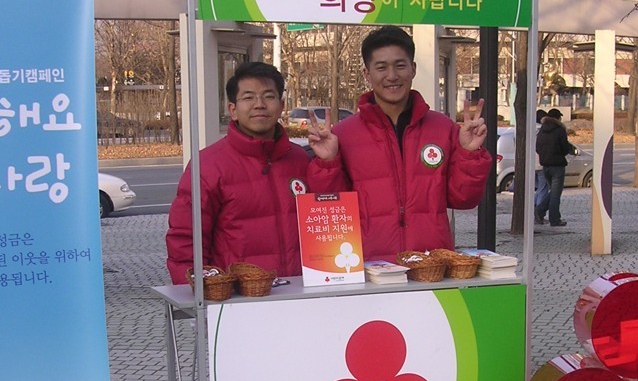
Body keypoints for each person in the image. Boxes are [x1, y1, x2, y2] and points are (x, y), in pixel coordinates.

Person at [308, 26, 491, 260]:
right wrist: (327, 164)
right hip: (369, 267)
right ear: (367, 74)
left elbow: (463, 200)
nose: (392, 76)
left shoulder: (442, 128)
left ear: (413, 69)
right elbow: (332, 210)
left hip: (431, 264)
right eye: (381, 67)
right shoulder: (343, 135)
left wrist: (469, 154)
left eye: (400, 65)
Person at [165, 61, 339, 282]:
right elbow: (186, 239)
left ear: (281, 105)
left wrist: (327, 164)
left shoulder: (300, 159)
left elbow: (332, 223)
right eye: (248, 97)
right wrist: (195, 296)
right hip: (237, 301)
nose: (259, 104)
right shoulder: (207, 165)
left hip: (300, 294)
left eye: (268, 96)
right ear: (233, 110)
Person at [535, 108, 576, 227]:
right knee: (555, 194)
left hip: (545, 165)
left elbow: (537, 147)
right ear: (557, 118)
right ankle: (554, 219)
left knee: (553, 192)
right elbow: (564, 147)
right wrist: (561, 153)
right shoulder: (559, 130)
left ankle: (540, 210)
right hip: (557, 165)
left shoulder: (542, 129)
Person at [533, 108, 549, 224]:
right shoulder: (543, 131)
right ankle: (538, 211)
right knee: (542, 188)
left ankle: (532, 208)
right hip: (541, 162)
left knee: (534, 189)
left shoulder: (526, 129)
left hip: (529, 164)